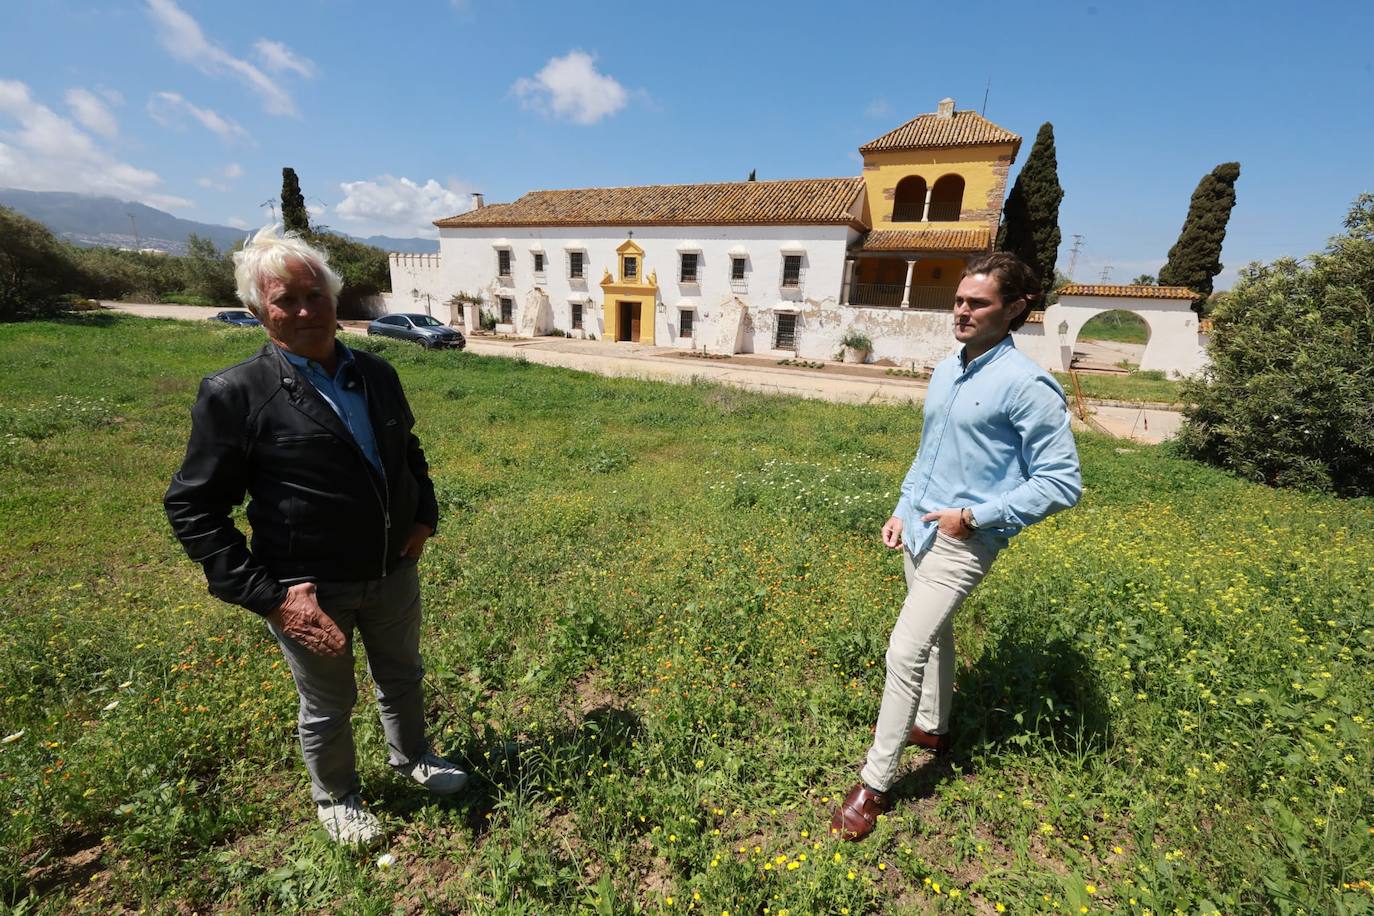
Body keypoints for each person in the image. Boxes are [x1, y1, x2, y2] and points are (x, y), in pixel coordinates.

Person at [165, 226, 467, 846]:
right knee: (329, 701)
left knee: (403, 676)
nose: (305, 310)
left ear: (336, 297)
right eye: (286, 301)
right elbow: (194, 506)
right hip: (308, 587)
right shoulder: (236, 393)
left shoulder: (377, 374)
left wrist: (424, 517)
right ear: (258, 312)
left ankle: (413, 760)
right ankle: (337, 797)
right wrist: (270, 596)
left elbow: (406, 452)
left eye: (315, 294)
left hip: (391, 570)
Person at [830, 252, 1082, 841]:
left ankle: (875, 782)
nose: (961, 311)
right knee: (935, 635)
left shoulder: (1027, 386)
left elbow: (1062, 481)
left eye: (978, 303)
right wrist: (901, 507)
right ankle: (935, 727)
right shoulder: (949, 368)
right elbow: (929, 451)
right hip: (921, 526)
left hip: (966, 540)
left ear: (1016, 309)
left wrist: (975, 515)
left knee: (903, 652)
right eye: (960, 300)